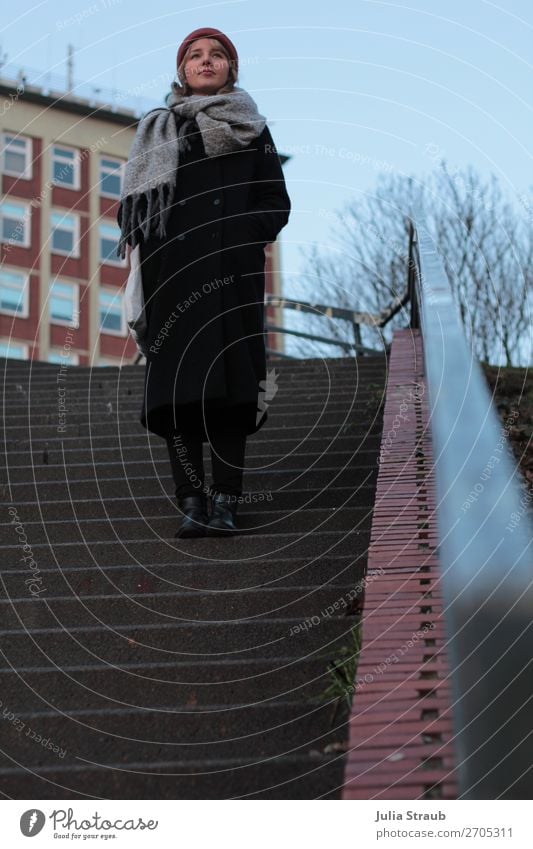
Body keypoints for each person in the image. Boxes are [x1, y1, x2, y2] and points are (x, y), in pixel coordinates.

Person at [117, 27, 291, 538]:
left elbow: (275, 203)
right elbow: (138, 211)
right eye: (195, 55)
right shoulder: (159, 129)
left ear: (231, 70)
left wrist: (238, 234)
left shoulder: (252, 130)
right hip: (172, 278)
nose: (206, 61)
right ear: (182, 70)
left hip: (231, 278)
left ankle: (226, 504)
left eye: (217, 55)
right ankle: (191, 501)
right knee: (179, 397)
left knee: (232, 395)